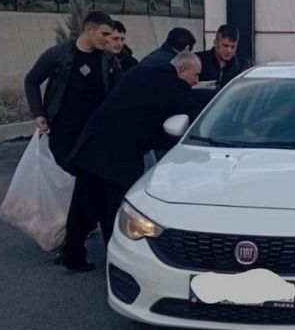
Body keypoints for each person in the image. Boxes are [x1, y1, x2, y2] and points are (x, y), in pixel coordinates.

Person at [60, 52, 208, 272]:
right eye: (195, 76)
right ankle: (117, 264)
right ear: (183, 70)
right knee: (116, 209)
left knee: (84, 206)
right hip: (118, 154)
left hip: (91, 144)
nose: (196, 81)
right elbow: (193, 110)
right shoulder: (170, 85)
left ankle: (72, 256)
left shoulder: (143, 71)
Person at [24, 10, 121, 174]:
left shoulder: (109, 59)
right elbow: (31, 81)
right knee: (62, 177)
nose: (107, 39)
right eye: (104, 34)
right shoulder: (57, 54)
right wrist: (38, 113)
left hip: (94, 133)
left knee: (89, 179)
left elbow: (119, 92)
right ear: (89, 30)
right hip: (63, 132)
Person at [196, 25, 242, 89]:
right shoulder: (198, 61)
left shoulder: (239, 67)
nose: (229, 50)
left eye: (233, 47)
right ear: (215, 43)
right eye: (225, 46)